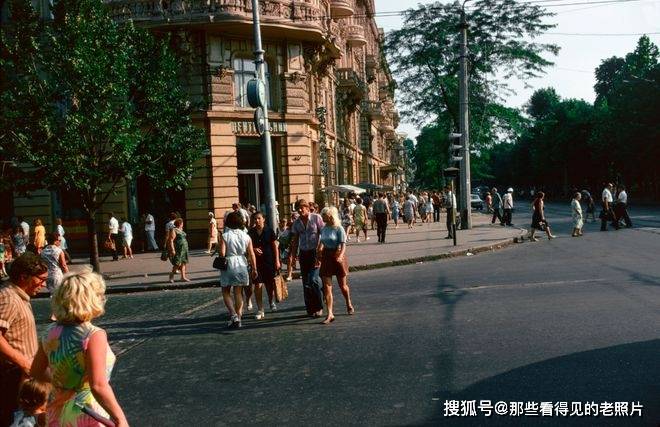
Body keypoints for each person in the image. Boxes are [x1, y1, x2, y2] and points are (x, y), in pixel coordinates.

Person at [30, 268, 129, 427]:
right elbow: (98, 385)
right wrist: (120, 418)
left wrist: (63, 384)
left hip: (58, 409)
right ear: (89, 299)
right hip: (88, 411)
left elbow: (36, 371)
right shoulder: (93, 335)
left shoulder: (50, 332)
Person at [0, 253, 48, 426]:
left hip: (21, 375)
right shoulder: (8, 297)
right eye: (41, 279)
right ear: (24, 277)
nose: (43, 285)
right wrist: (24, 363)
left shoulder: (19, 297)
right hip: (11, 376)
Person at [218, 211, 258, 328]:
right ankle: (239, 318)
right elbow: (251, 254)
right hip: (241, 264)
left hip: (229, 264)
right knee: (238, 292)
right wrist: (254, 269)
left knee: (225, 291)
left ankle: (233, 315)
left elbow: (222, 253)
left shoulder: (225, 236)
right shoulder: (246, 236)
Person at [317, 207, 354, 324]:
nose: (322, 217)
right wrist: (319, 251)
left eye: (324, 215)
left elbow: (343, 245)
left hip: (337, 256)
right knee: (327, 287)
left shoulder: (339, 229)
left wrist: (341, 256)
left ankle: (348, 302)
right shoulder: (323, 228)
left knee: (343, 286)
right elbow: (322, 241)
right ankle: (330, 314)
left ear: (330, 216)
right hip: (326, 257)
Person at [289, 199, 325, 317]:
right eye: (298, 208)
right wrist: (293, 257)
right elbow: (295, 241)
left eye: (302, 207)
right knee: (306, 283)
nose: (300, 210)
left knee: (314, 280)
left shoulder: (316, 218)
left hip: (315, 253)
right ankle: (310, 308)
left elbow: (323, 234)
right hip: (304, 254)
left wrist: (320, 250)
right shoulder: (297, 223)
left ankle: (319, 307)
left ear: (307, 207)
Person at [247, 212, 281, 319]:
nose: (257, 221)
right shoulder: (251, 232)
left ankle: (271, 301)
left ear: (263, 219)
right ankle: (260, 309)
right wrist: (253, 249)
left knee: (269, 284)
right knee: (258, 284)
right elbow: (247, 246)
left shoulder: (269, 231)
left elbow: (275, 246)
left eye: (259, 218)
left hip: (269, 261)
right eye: (255, 219)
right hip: (256, 263)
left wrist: (277, 261)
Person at [166, 218, 190, 283]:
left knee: (183, 263)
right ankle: (171, 276)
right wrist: (172, 250)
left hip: (184, 249)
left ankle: (183, 277)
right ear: (180, 224)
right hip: (178, 250)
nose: (183, 224)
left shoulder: (180, 230)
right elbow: (171, 240)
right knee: (177, 263)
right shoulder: (174, 230)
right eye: (182, 223)